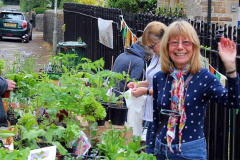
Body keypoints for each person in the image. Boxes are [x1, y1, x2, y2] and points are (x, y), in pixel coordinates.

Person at [149, 20, 240, 160]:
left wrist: (231, 69)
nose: (180, 47)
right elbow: (155, 119)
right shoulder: (160, 78)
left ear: (194, 47)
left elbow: (234, 102)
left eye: (186, 42)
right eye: (174, 42)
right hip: (160, 149)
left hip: (190, 152)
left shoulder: (205, 77)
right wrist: (149, 152)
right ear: (167, 47)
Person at [127, 21, 167, 153]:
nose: (150, 49)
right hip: (151, 114)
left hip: (161, 116)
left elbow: (168, 90)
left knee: (153, 152)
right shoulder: (156, 57)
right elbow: (153, 81)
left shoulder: (169, 61)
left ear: (163, 40)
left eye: (152, 45)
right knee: (149, 151)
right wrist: (138, 84)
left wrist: (145, 91)